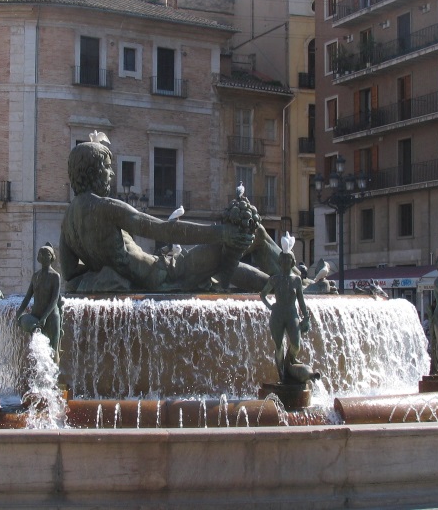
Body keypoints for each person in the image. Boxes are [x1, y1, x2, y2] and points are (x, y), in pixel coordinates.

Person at [59, 140, 270, 293]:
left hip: (151, 275)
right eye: (107, 167)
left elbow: (69, 272)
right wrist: (221, 233)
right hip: (164, 273)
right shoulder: (107, 207)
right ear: (93, 170)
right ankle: (282, 287)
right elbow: (163, 229)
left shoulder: (67, 220)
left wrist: (103, 273)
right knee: (254, 233)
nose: (111, 173)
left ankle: (277, 285)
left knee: (223, 265)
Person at [259, 248, 312, 384]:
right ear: (280, 261)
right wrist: (270, 306)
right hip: (277, 315)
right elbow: (263, 294)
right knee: (278, 345)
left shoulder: (297, 280)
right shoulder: (274, 279)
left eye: (288, 259)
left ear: (292, 262)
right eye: (283, 259)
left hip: (292, 313)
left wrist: (306, 316)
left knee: (296, 344)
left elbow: (301, 301)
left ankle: (290, 360)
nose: (285, 262)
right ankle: (282, 375)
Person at [16, 243, 64, 360]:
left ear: (52, 257)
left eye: (47, 254)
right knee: (39, 351)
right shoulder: (35, 276)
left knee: (53, 351)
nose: (43, 256)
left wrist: (45, 317)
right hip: (36, 316)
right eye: (41, 254)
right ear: (38, 257)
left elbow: (54, 300)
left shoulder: (55, 276)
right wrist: (19, 313)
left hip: (51, 316)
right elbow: (28, 297)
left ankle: (55, 370)